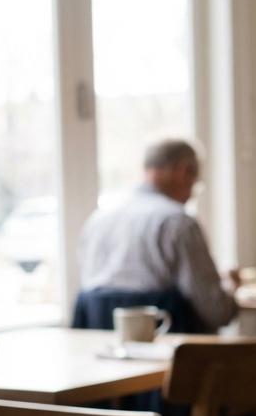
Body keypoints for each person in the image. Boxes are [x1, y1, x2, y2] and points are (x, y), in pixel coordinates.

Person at [74, 139, 239, 334]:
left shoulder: (98, 220)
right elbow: (218, 312)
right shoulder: (179, 223)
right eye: (197, 183)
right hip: (172, 355)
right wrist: (231, 286)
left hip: (105, 353)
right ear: (183, 171)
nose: (193, 194)